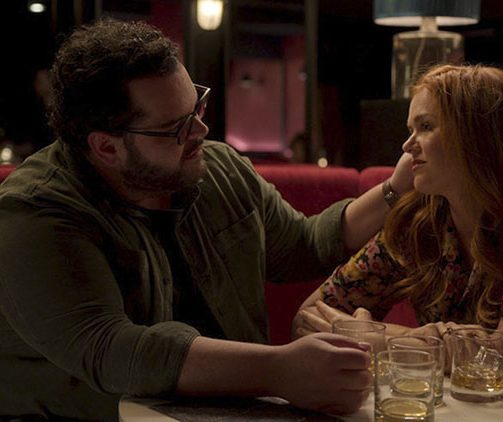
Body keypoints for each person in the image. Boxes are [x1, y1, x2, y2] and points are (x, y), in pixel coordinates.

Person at [0, 19, 413, 420]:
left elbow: (301, 245)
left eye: (196, 105)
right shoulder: (35, 212)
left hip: (237, 411)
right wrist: (278, 370)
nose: (201, 129)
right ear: (107, 148)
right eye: (176, 127)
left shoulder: (217, 168)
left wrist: (397, 188)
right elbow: (112, 348)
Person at [294, 64, 503, 394]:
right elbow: (308, 317)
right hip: (457, 401)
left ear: (477, 134)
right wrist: (416, 340)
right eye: (410, 129)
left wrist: (382, 340)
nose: (407, 146)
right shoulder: (420, 218)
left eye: (425, 127)